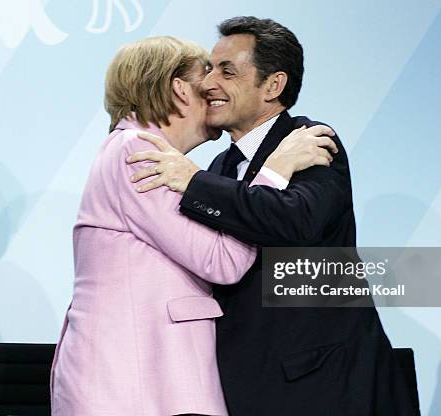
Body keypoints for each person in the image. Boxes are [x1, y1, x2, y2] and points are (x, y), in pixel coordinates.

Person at [128, 17, 419, 416]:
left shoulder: (312, 141)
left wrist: (193, 183)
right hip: (243, 380)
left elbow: (296, 220)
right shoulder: (218, 166)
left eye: (227, 71)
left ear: (273, 85)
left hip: (319, 381)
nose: (208, 83)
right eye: (210, 68)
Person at [50, 36, 336, 416]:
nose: (214, 90)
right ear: (180, 89)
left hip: (150, 378)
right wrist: (275, 170)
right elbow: (224, 263)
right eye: (207, 76)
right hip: (132, 385)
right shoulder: (137, 152)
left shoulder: (154, 156)